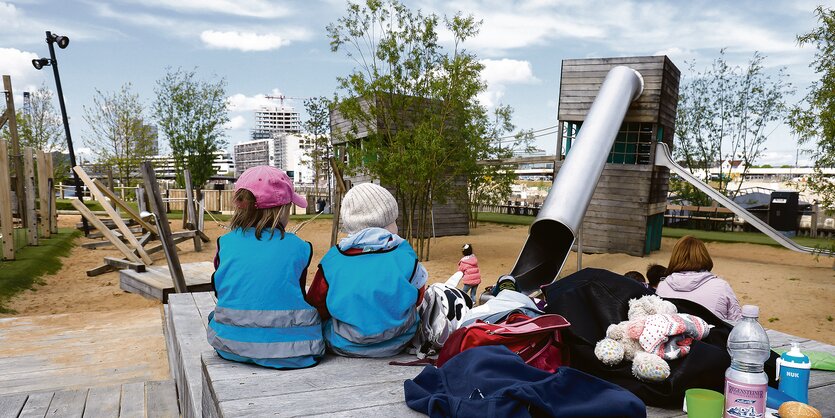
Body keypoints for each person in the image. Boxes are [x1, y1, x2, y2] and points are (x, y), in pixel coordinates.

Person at [207, 166, 324, 369]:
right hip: (295, 351)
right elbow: (294, 293)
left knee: (213, 315)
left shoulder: (225, 243)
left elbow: (222, 290)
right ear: (281, 210)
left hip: (230, 345)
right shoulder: (300, 247)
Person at [306, 183, 428, 357]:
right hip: (400, 339)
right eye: (394, 221)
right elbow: (418, 296)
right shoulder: (404, 253)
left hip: (345, 343)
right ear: (386, 225)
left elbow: (317, 303)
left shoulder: (333, 259)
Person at [656, 236, 742, 321]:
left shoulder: (663, 286)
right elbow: (737, 322)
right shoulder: (721, 287)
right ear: (704, 256)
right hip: (712, 334)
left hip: (673, 333)